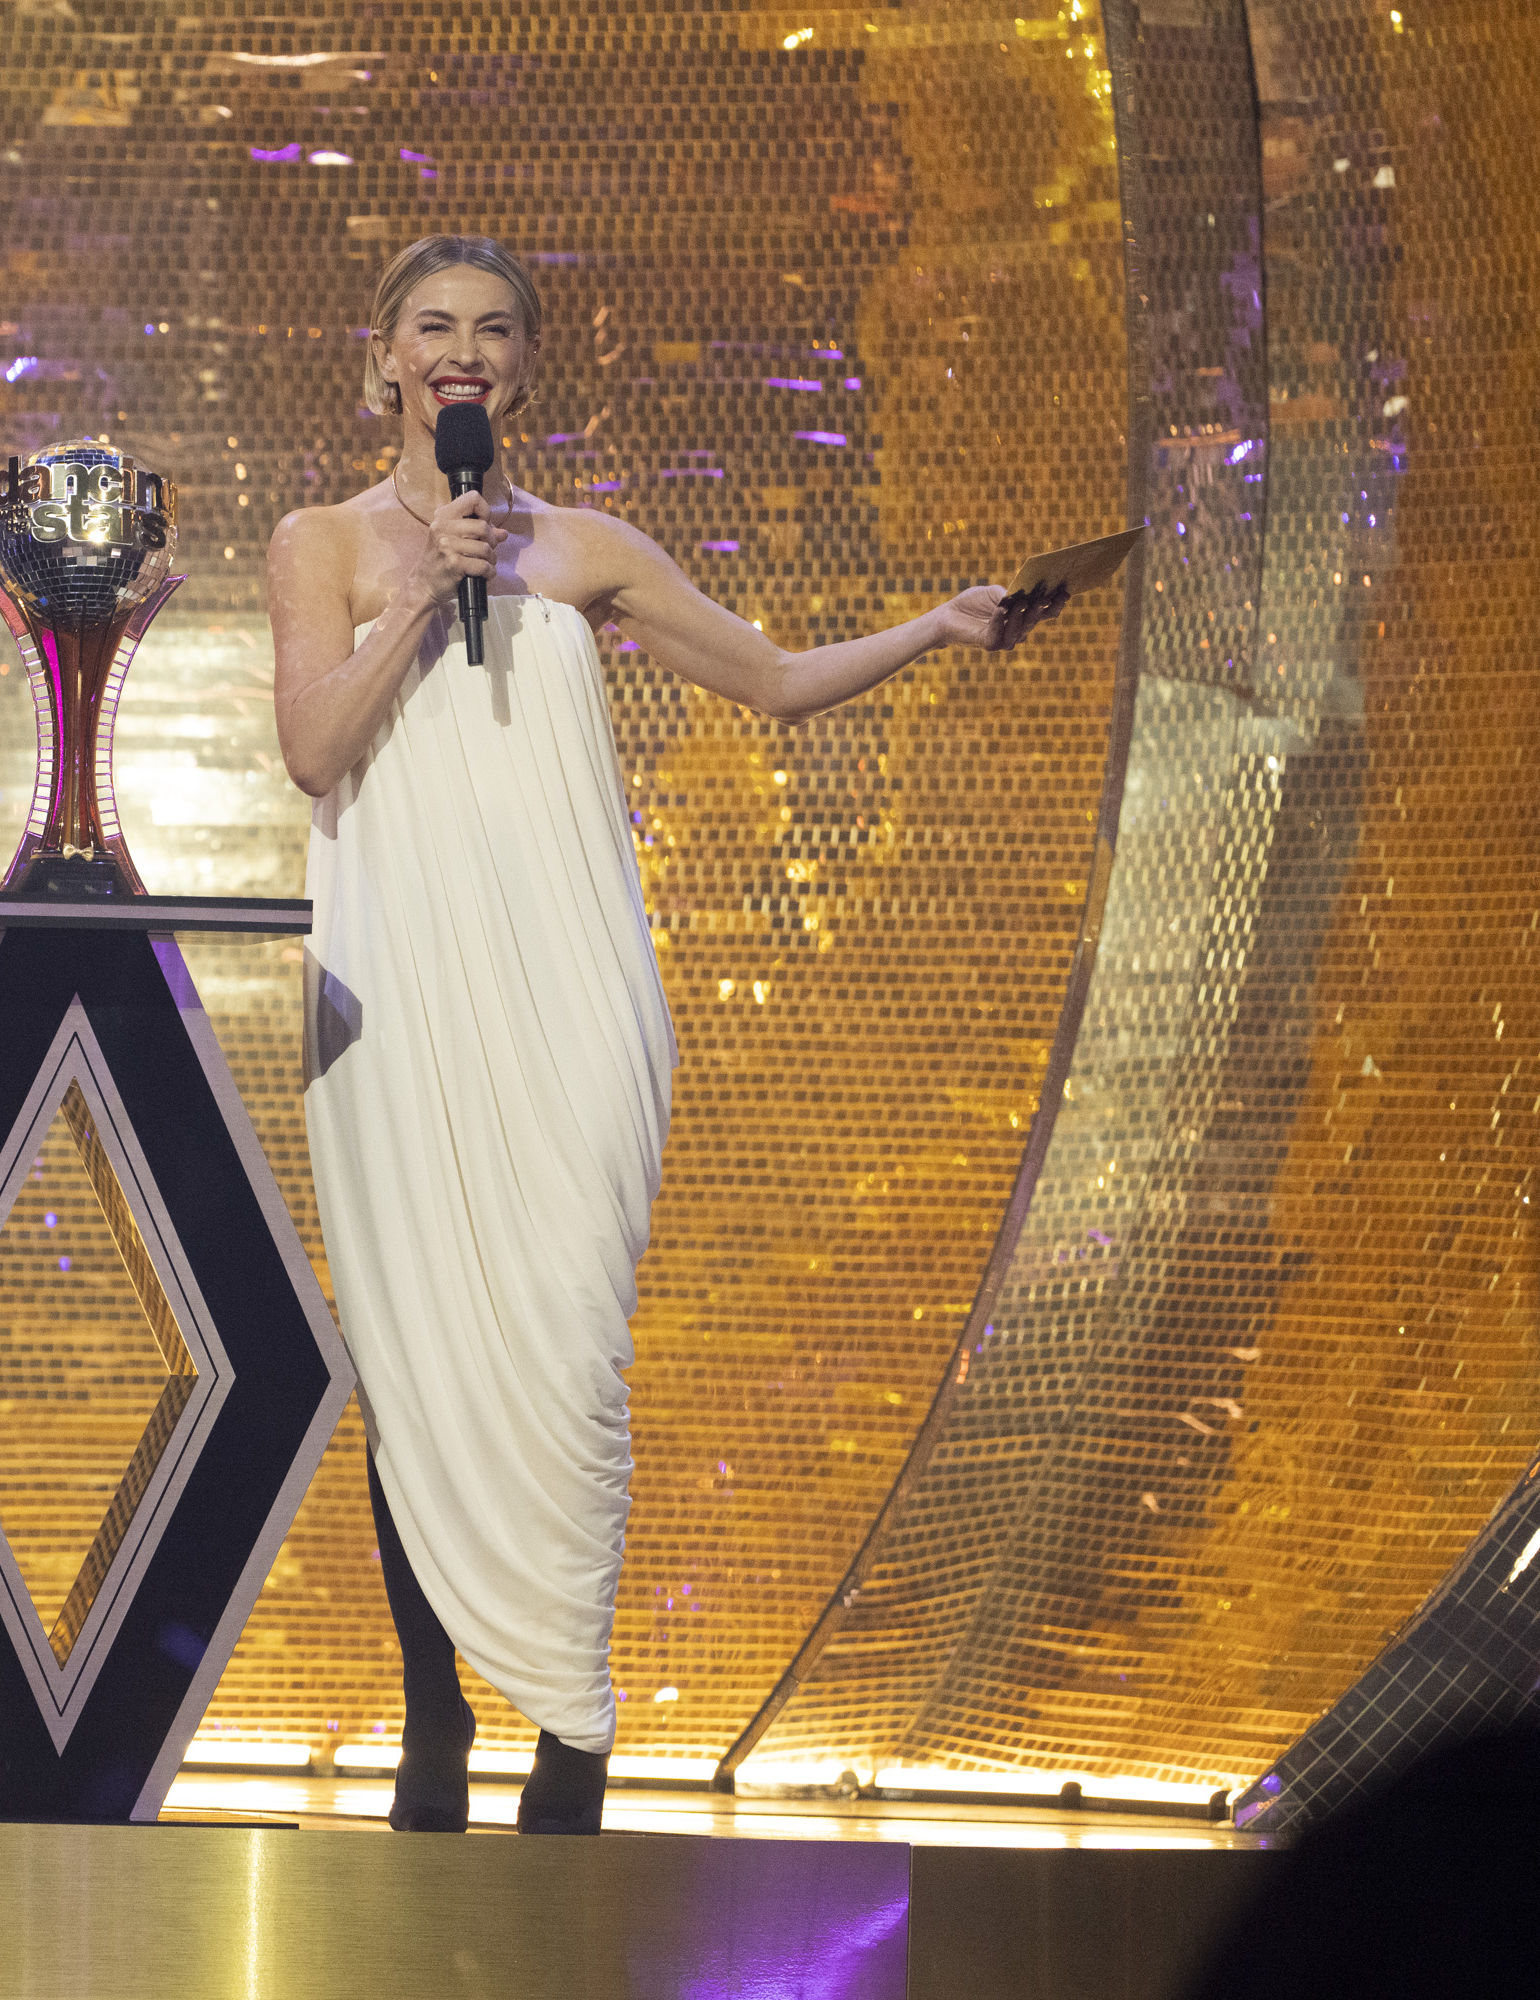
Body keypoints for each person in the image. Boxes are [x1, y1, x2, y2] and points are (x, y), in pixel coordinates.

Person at [268, 235, 1059, 1835]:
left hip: (576, 996)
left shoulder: (592, 550)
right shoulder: (325, 542)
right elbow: (309, 748)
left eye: (494, 328)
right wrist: (426, 591)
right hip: (400, 1000)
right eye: (435, 327)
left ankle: (572, 1737)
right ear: (386, 356)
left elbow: (768, 681)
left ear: (526, 363)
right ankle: (435, 1737)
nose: (463, 351)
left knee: (568, 1347)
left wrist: (935, 626)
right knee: (420, 1351)